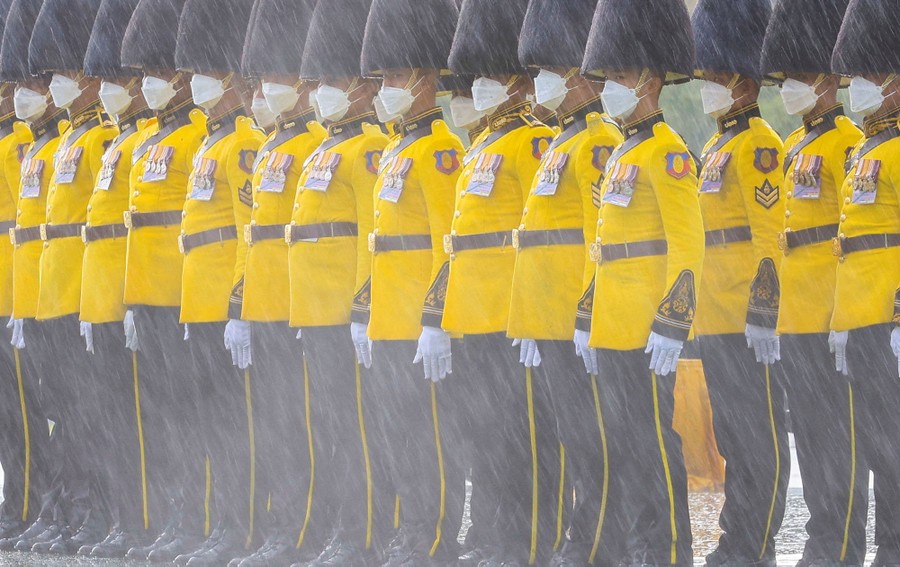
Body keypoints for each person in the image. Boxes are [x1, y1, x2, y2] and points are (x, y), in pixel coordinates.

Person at [581, 0, 702, 564]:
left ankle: (670, 549)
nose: (609, 87)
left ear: (649, 82)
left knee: (654, 441)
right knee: (624, 443)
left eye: (621, 75)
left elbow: (687, 242)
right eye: (607, 75)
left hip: (648, 321)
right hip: (612, 318)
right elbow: (603, 245)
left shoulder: (668, 151)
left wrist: (673, 320)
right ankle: (638, 546)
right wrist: (588, 316)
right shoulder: (623, 151)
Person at [510, 0, 624, 565]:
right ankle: (582, 538)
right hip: (549, 316)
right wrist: (531, 317)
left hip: (575, 317)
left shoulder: (597, 139)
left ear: (577, 71)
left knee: (593, 439)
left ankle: (594, 542)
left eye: (550, 70)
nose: (541, 82)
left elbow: (598, 235)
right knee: (572, 438)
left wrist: (587, 311)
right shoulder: (561, 139)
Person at [446, 0, 559, 564]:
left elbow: (540, 231)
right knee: (484, 434)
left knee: (521, 438)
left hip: (511, 311)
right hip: (474, 310)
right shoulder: (483, 144)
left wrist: (531, 309)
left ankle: (523, 539)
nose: (479, 86)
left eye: (489, 75)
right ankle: (492, 531)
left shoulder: (530, 142)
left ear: (516, 80)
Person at [760, 2, 868, 566]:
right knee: (809, 433)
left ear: (827, 79)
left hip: (829, 308)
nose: (791, 87)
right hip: (797, 311)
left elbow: (851, 231)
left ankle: (841, 544)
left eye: (801, 76)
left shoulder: (847, 141)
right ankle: (821, 537)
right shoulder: (794, 145)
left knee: (840, 437)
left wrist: (844, 313)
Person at [360, 0, 466, 564]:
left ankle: (435, 537)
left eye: (397, 76)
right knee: (396, 432)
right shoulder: (396, 146)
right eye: (384, 77)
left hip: (420, 316)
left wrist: (436, 318)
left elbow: (448, 242)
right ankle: (411, 528)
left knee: (431, 436)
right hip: (388, 313)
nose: (387, 88)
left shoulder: (441, 148)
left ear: (426, 78)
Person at [289, 1, 392, 564]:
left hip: (344, 308)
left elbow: (370, 235)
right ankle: (341, 529)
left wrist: (362, 306)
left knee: (357, 428)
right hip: (314, 309)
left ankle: (363, 533)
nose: (323, 90)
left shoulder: (370, 147)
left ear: (360, 85)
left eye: (334, 79)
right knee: (328, 427)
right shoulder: (325, 147)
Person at [689, 2, 789, 566]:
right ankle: (738, 534)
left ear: (743, 81)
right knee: (731, 436)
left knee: (759, 437)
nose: (706, 84)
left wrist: (764, 310)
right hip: (715, 314)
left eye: (715, 76)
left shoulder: (759, 145)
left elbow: (769, 235)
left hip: (746, 315)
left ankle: (755, 543)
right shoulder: (715, 146)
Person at [227, 0, 326, 565]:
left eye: (275, 75)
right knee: (272, 423)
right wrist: (241, 303)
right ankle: (279, 525)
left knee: (302, 424)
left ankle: (300, 529)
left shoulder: (313, 145)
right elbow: (253, 235)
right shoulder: (272, 147)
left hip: (295, 306)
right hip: (264, 302)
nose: (265, 88)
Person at [170, 0, 264, 562]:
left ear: (230, 78)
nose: (197, 81)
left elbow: (247, 230)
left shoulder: (243, 142)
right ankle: (212, 524)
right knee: (203, 421)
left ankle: (238, 527)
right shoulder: (210, 141)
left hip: (225, 301)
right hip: (197, 301)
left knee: (234, 425)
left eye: (208, 70)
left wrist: (237, 303)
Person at [117, 0, 208, 559]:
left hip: (180, 292)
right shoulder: (151, 136)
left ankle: (194, 516)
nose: (148, 82)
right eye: (145, 72)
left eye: (158, 71)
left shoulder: (198, 135)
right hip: (149, 293)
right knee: (158, 416)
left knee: (189, 412)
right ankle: (171, 514)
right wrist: (131, 298)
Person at [28, 0, 118, 554]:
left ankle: (92, 510)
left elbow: (99, 228)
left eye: (63, 73)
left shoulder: (100, 139)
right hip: (51, 293)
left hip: (84, 294)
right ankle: (62, 506)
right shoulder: (64, 138)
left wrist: (94, 298)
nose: (51, 85)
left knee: (90, 413)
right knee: (58, 412)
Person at [76, 0, 157, 557]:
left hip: (139, 292)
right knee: (104, 417)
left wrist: (129, 299)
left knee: (142, 417)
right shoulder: (125, 141)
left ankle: (140, 518)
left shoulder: (132, 140)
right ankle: (115, 516)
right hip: (99, 291)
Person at [830, 1, 900, 565]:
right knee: (878, 442)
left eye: (871, 74)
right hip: (860, 315)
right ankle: (887, 544)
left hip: (890, 314)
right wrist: (841, 318)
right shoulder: (864, 150)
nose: (860, 85)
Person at [0, 0, 40, 545]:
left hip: (15, 285)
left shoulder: (19, 143)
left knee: (25, 409)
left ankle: (29, 503)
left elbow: (25, 224)